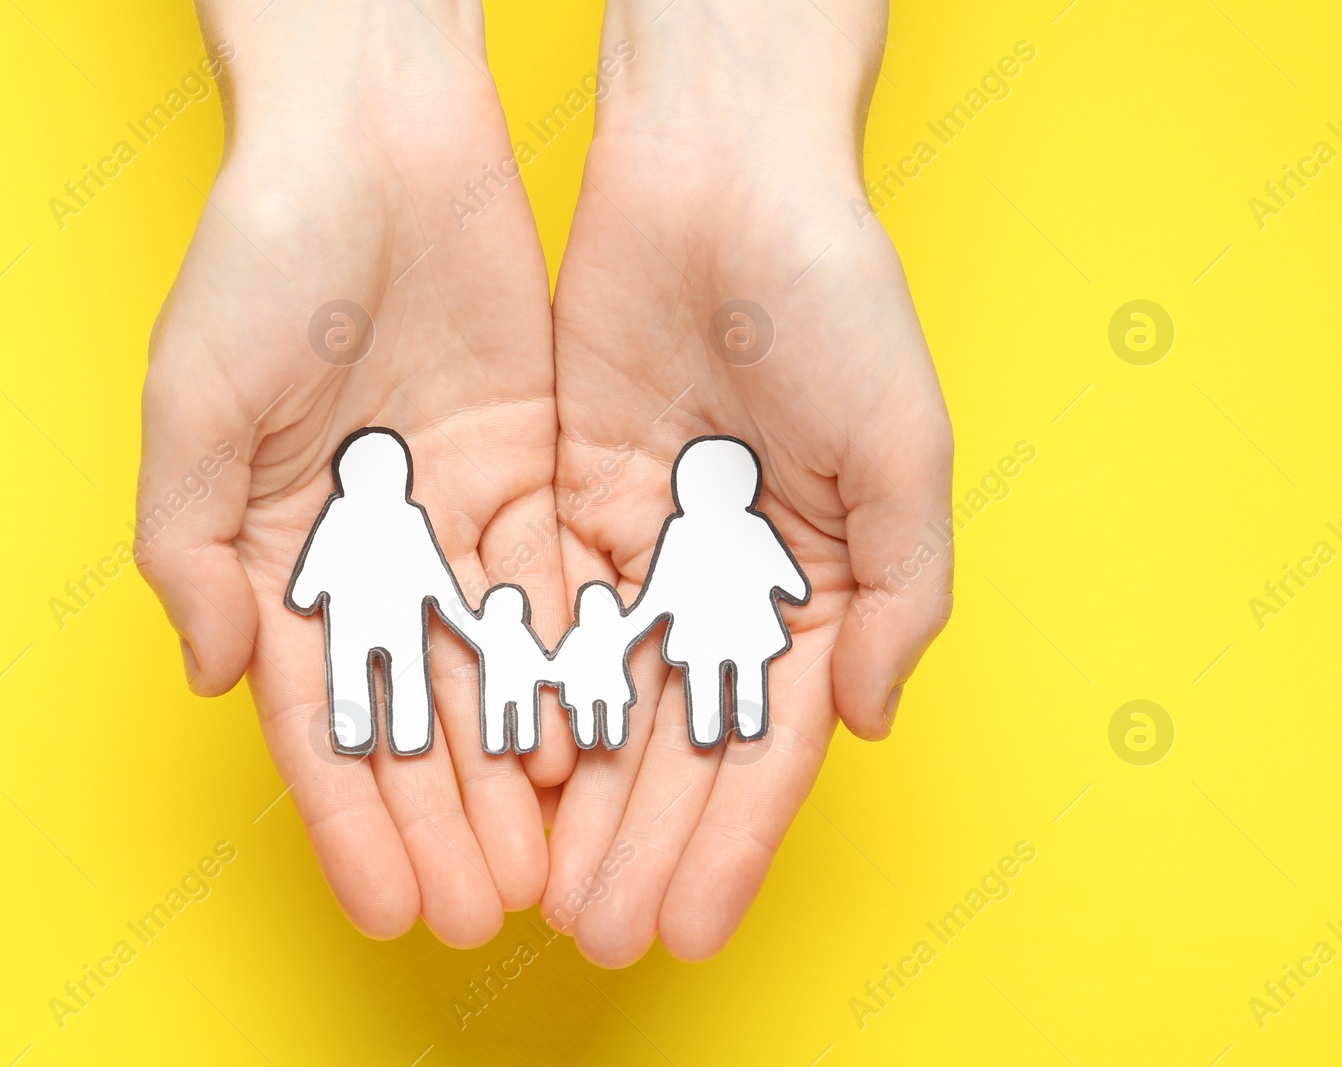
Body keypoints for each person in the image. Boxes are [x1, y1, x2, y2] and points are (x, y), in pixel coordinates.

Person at [136, 0, 954, 962]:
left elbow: (623, 590)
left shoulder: (646, 530)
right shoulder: (400, 523)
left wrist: (744, 109)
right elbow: (427, 583)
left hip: (526, 623)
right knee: (383, 688)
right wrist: (346, 92)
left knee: (399, 682)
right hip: (410, 617)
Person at [286, 428, 473, 756]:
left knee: (349, 671)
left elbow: (316, 561)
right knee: (408, 673)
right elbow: (435, 572)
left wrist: (304, 594)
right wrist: (457, 610)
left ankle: (354, 735)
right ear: (401, 474)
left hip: (349, 619)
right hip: (399, 619)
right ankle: (411, 735)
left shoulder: (340, 514)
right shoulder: (408, 516)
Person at [628, 437, 809, 747]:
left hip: (699, 630)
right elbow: (792, 583)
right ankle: (747, 725)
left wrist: (633, 621)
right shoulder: (752, 526)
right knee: (746, 669)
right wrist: (794, 587)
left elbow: (660, 588)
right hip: (748, 625)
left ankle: (707, 731)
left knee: (704, 674)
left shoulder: (682, 531)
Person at [461, 584, 553, 755]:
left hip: (500, 688)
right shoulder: (519, 632)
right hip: (521, 687)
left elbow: (463, 626)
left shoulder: (487, 631)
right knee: (522, 713)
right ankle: (523, 741)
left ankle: (499, 742)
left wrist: (443, 603)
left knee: (497, 714)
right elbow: (539, 659)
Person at [551, 581, 644, 750]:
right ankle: (610, 738)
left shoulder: (578, 634)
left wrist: (550, 673)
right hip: (611, 687)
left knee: (587, 713)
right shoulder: (619, 629)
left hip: (583, 690)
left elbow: (561, 660)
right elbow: (642, 623)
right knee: (612, 713)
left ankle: (590, 739)